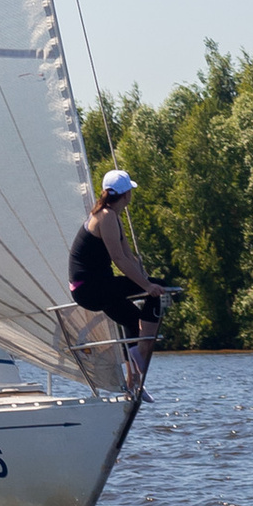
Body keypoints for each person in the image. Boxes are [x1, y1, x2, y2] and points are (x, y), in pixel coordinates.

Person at [67, 167, 163, 392]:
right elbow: (118, 259)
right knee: (162, 288)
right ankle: (143, 349)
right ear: (127, 194)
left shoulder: (111, 216)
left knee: (132, 319)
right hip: (90, 289)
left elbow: (128, 256)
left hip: (95, 287)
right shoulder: (106, 217)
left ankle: (133, 382)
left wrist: (144, 278)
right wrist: (148, 286)